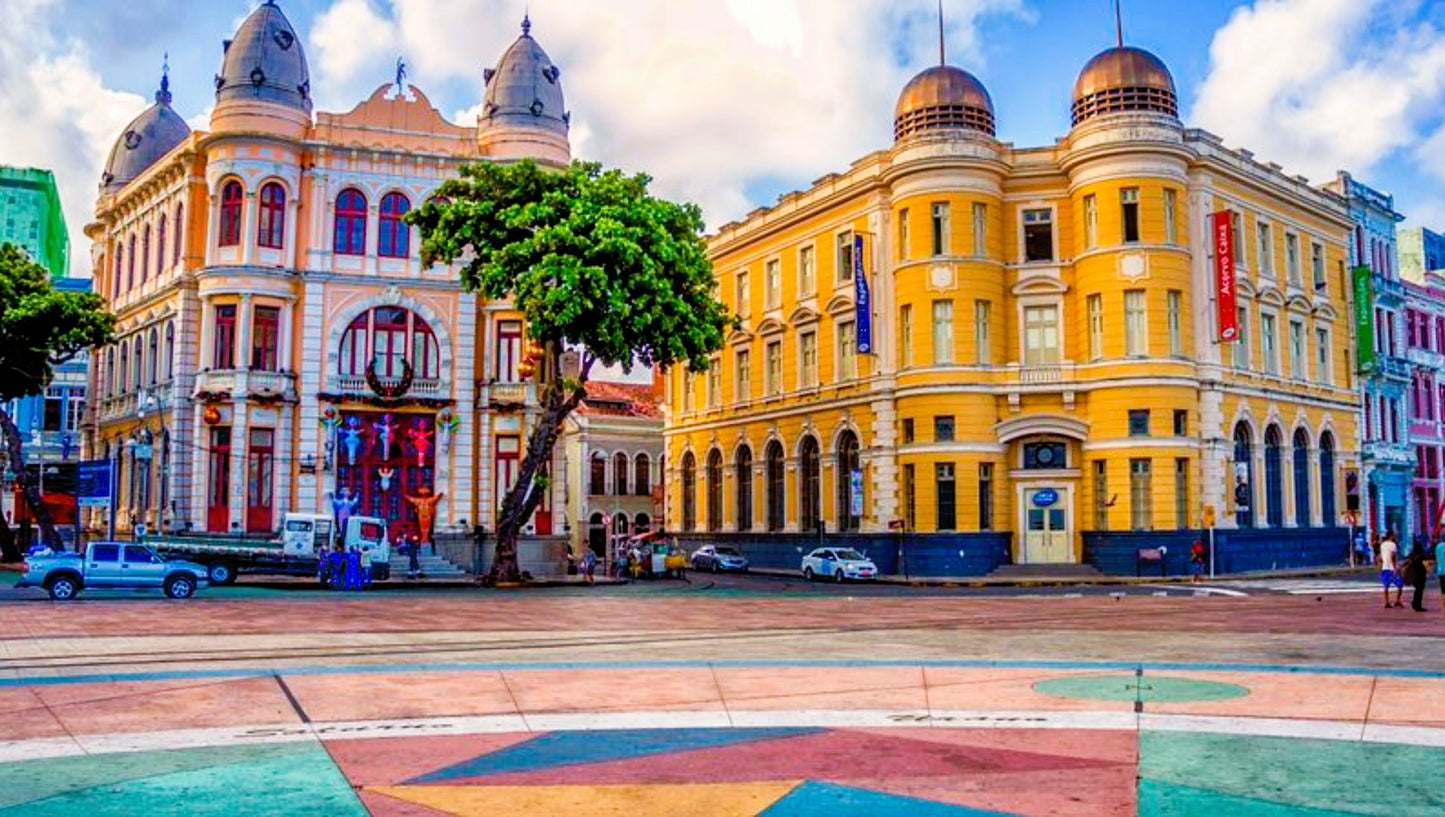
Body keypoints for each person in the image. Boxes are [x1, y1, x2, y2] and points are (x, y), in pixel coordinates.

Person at [1402, 541, 1429, 612]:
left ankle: (1415, 603)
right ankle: (1417, 605)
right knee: (1419, 591)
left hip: (1414, 576)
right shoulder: (1422, 555)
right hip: (1421, 575)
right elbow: (1426, 564)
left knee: (1417, 590)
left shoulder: (1412, 555)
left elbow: (1406, 562)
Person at [1379, 531, 1403, 609]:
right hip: (1392, 568)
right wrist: (1395, 567)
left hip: (1385, 567)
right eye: (1394, 535)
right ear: (1391, 536)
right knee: (1400, 584)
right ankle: (1397, 600)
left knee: (1386, 585)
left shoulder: (1382, 545)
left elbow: (1381, 557)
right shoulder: (1393, 545)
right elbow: (1393, 556)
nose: (1395, 537)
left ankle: (1387, 602)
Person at [1435, 537, 1445, 617]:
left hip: (1441, 571)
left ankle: (1444, 607)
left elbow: (1437, 558)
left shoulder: (1438, 546)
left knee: (1443, 591)